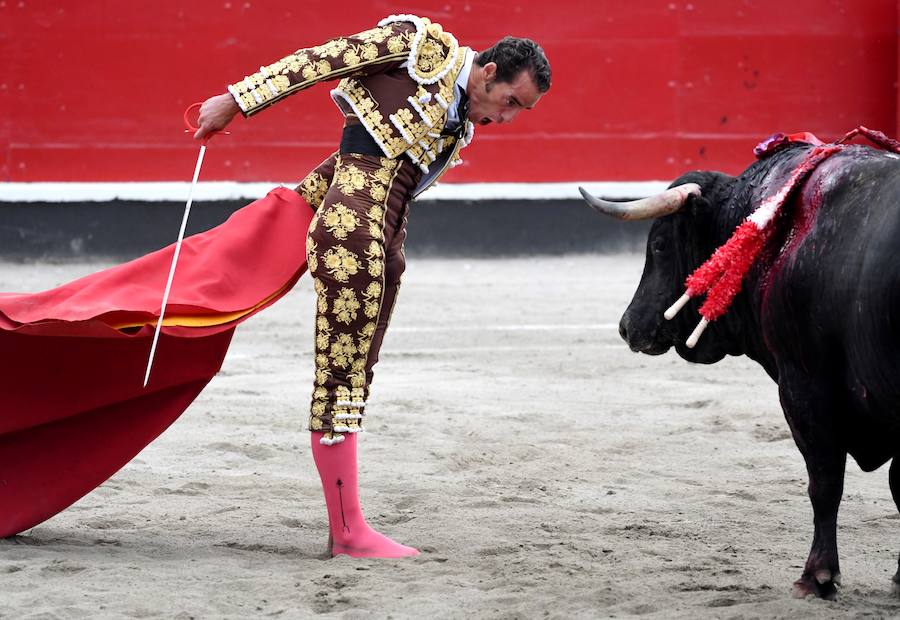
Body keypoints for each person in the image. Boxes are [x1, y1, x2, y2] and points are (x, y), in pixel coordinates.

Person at [195, 13, 551, 558]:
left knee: (355, 375)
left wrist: (304, 200)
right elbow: (321, 59)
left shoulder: (459, 119)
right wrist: (236, 101)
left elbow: (354, 165)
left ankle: (348, 528)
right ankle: (349, 533)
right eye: (511, 102)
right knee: (342, 380)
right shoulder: (415, 46)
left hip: (381, 242)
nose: (507, 118)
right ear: (489, 71)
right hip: (354, 239)